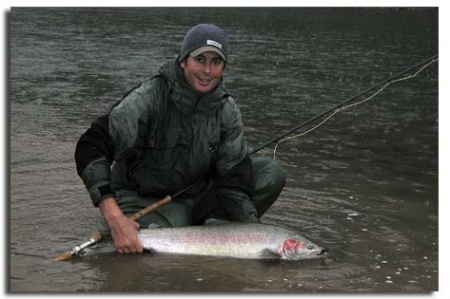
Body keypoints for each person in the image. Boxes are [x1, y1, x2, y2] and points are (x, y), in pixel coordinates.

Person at [75, 24, 286, 254]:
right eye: (200, 59)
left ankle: (215, 232)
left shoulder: (227, 110)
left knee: (271, 173)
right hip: (143, 197)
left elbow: (234, 181)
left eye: (216, 62)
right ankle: (134, 230)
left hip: (197, 194)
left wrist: (251, 235)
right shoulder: (149, 97)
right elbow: (90, 147)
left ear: (223, 68)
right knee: (168, 232)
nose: (207, 70)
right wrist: (115, 218)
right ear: (184, 60)